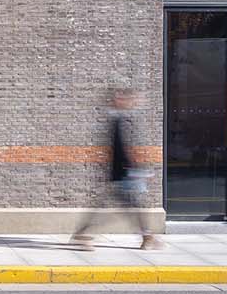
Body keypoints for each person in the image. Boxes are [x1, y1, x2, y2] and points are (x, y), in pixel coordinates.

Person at [70, 86, 163, 251]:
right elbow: (119, 149)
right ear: (118, 100)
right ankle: (146, 237)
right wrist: (135, 170)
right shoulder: (116, 120)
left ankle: (83, 234)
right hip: (123, 174)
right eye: (128, 99)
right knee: (129, 206)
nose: (132, 102)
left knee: (125, 206)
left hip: (122, 173)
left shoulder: (121, 118)